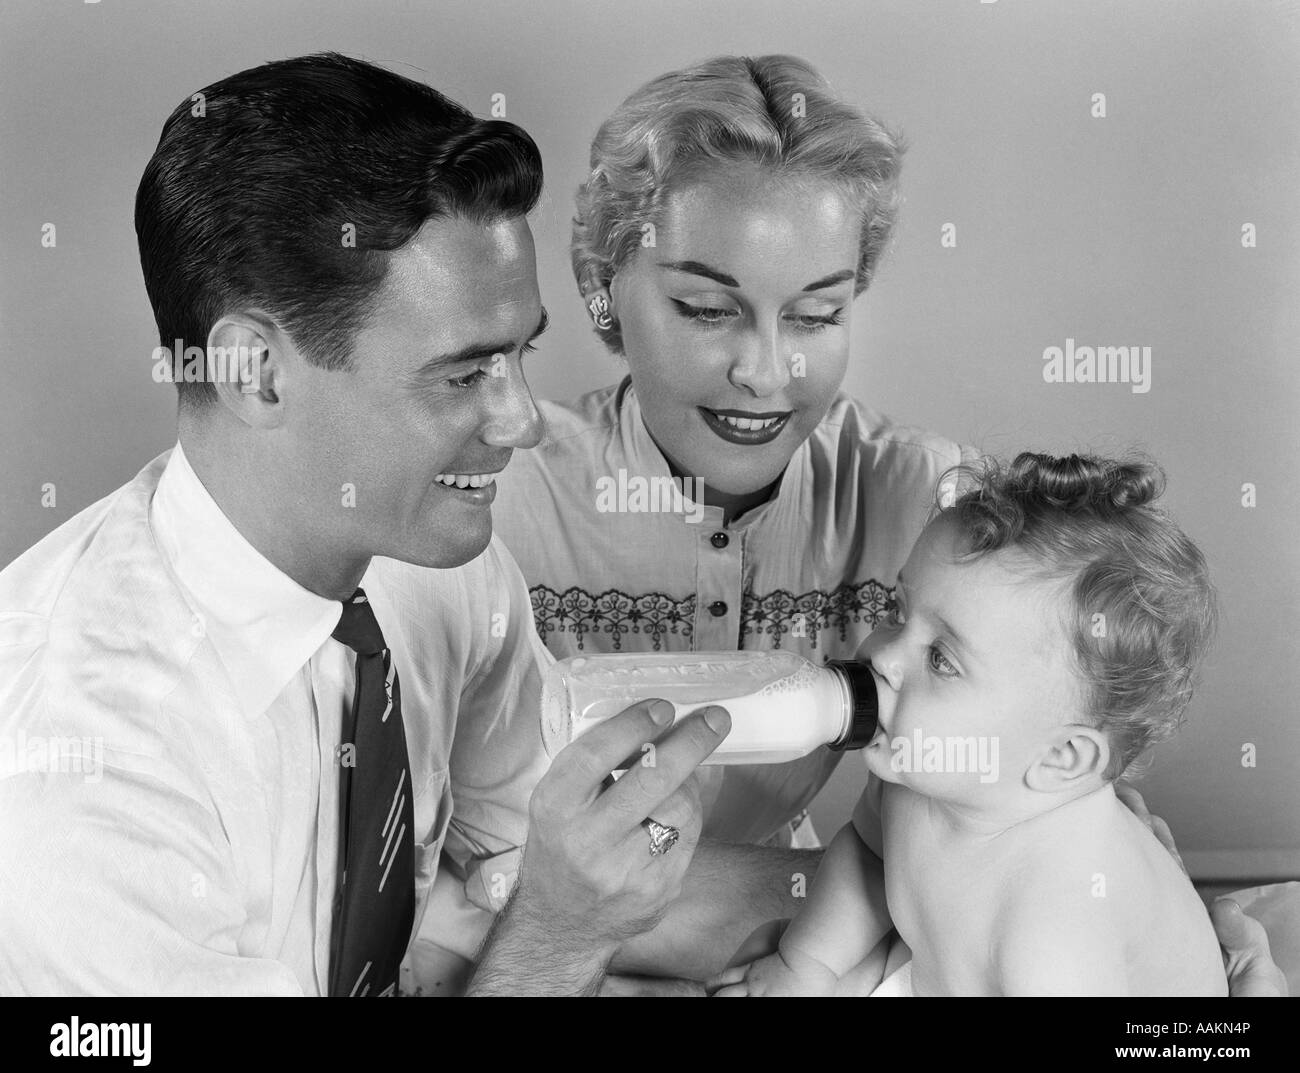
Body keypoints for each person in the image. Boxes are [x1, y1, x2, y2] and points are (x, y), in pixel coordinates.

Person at [0, 52, 809, 997]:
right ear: (255, 372)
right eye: (465, 374)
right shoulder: (85, 772)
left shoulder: (433, 565)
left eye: (520, 355)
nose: (522, 422)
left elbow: (567, 868)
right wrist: (555, 942)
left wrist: (934, 878)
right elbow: (560, 917)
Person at [487, 55, 1285, 996]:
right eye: (707, 309)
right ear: (601, 287)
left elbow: (1036, 782)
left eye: (818, 312)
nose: (766, 372)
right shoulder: (502, 502)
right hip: (557, 922)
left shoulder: (931, 503)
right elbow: (477, 880)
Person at [713, 453, 1228, 995]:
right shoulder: (916, 780)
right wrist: (805, 966)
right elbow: (868, 855)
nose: (884, 657)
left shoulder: (1055, 932)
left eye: (940, 659)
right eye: (898, 613)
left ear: (1060, 758)